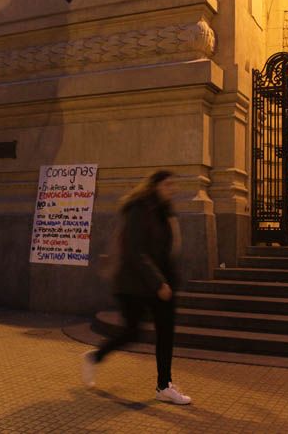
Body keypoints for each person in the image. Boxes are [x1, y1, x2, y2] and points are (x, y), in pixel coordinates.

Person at [81, 169, 191, 405]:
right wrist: (158, 281)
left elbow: (167, 251)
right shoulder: (139, 210)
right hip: (135, 284)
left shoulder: (164, 212)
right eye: (168, 185)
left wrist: (168, 279)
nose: (172, 190)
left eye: (174, 185)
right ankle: (95, 357)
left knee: (165, 333)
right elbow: (135, 251)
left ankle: (164, 386)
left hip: (160, 283)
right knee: (131, 333)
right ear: (155, 186)